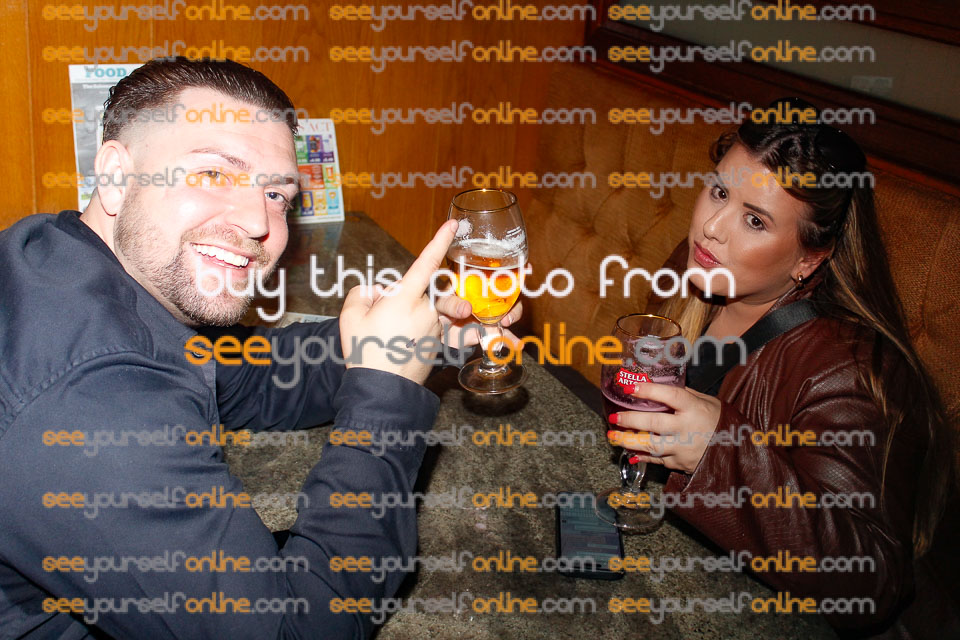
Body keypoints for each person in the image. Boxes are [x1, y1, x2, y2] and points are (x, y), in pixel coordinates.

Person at [0, 57, 518, 638]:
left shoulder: (65, 262)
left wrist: (416, 337)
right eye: (213, 173)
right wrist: (387, 396)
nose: (256, 221)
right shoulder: (90, 402)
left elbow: (248, 377)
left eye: (275, 194)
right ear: (117, 175)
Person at [605, 100, 958, 638]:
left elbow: (872, 581)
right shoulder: (694, 270)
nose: (712, 228)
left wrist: (717, 452)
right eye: (718, 191)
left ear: (809, 259)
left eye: (755, 220)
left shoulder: (853, 368)